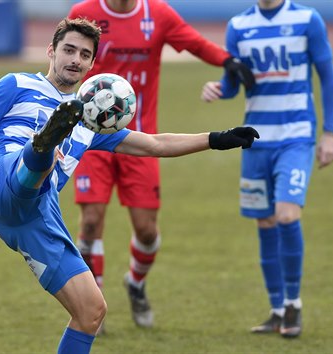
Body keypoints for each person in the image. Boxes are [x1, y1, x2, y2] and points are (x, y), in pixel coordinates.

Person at [0, 18, 258, 353]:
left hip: (37, 217)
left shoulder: (92, 120)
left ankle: (45, 148)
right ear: (51, 51)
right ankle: (41, 147)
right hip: (4, 181)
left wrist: (217, 139)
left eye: (84, 54)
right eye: (69, 50)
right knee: (39, 159)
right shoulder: (15, 84)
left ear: (91, 64)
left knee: (91, 311)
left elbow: (155, 144)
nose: (75, 58)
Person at [67, 0, 256, 331]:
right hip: (91, 138)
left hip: (141, 142)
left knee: (147, 230)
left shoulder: (158, 14)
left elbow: (194, 43)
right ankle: (93, 303)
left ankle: (136, 283)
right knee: (92, 221)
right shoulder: (85, 12)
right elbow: (63, 57)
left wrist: (228, 61)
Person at [200, 0, 333, 338]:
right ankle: (276, 310)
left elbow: (327, 76)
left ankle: (293, 303)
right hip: (256, 140)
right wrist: (219, 88)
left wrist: (330, 133)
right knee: (264, 221)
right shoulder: (239, 26)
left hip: (296, 137)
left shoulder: (308, 19)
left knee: (287, 216)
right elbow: (235, 82)